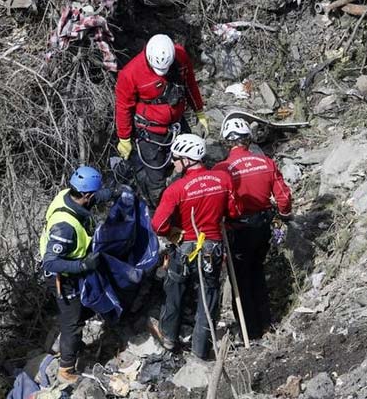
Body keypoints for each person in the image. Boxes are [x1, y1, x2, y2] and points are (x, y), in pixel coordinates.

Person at [148, 134, 240, 360]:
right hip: (212, 247)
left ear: (187, 160)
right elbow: (234, 212)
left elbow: (158, 225)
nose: (173, 163)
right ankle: (201, 349)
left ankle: (169, 338)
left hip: (184, 247)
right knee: (208, 295)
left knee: (175, 291)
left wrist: (172, 232)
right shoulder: (222, 180)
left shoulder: (176, 189)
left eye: (176, 158)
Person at [213, 118, 292, 340]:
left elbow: (217, 204)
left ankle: (251, 331)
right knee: (257, 271)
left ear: (227, 142)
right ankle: (266, 322)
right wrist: (285, 215)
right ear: (248, 139)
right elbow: (283, 197)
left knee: (241, 279)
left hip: (237, 230)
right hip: (262, 226)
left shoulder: (221, 169)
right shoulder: (265, 162)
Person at [114, 33, 209, 209]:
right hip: (150, 132)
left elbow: (190, 84)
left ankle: (193, 202)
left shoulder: (179, 56)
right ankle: (160, 213)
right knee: (156, 178)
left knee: (192, 164)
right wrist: (124, 138)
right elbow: (123, 107)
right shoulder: (130, 74)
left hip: (177, 124)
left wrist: (199, 112)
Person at [39, 166, 110, 384]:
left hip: (73, 268)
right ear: (87, 195)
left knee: (80, 312)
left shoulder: (67, 195)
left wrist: (111, 194)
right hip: (62, 277)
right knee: (73, 321)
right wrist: (82, 265)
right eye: (95, 194)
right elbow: (50, 262)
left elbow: (92, 200)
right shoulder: (65, 227)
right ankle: (66, 369)